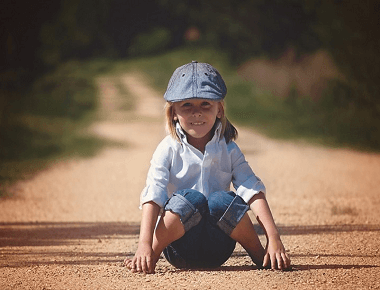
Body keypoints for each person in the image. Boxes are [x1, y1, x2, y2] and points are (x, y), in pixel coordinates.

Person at [124, 61, 291, 274]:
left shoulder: (229, 149)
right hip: (179, 248)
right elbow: (153, 195)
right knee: (191, 199)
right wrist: (144, 245)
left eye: (205, 104)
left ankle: (262, 255)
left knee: (221, 200)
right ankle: (149, 258)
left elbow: (252, 190)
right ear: (173, 111)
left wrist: (274, 237)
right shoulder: (167, 149)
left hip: (218, 248)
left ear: (219, 109)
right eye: (187, 106)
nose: (197, 113)